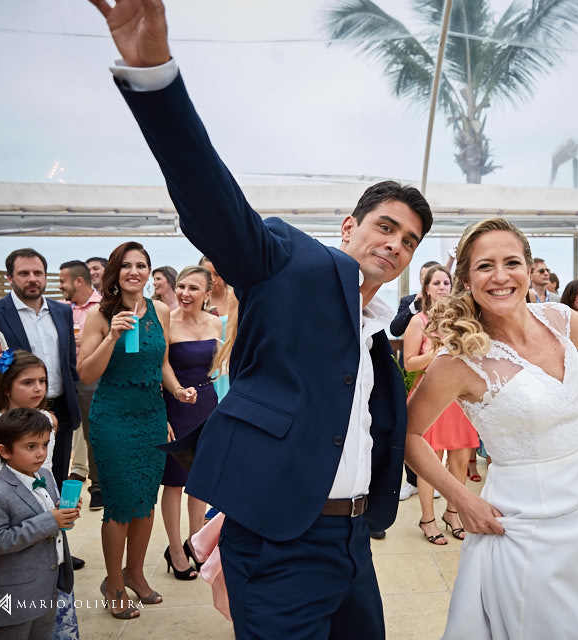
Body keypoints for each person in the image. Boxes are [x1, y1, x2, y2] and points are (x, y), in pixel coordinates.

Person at [90, 7, 435, 631]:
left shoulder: (378, 328)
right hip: (279, 542)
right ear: (349, 227)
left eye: (409, 240)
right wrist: (154, 78)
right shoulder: (289, 261)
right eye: (385, 226)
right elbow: (210, 200)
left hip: (354, 542)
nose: (395, 244)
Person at [405, 218, 578, 638]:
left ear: (529, 270)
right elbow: (408, 435)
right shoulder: (457, 360)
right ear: (466, 279)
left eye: (511, 262)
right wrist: (462, 499)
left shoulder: (558, 318)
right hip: (523, 526)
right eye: (485, 266)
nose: (501, 276)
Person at [78, 241, 195, 619]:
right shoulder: (100, 315)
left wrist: (177, 390)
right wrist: (112, 336)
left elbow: (162, 363)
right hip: (113, 417)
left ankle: (135, 573)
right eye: (127, 265)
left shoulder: (159, 310)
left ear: (149, 271)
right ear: (116, 272)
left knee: (145, 501)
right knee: (120, 503)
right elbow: (86, 373)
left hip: (151, 416)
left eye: (141, 265)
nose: (135, 272)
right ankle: (114, 583)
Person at [0, 350, 80, 640]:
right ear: (6, 387)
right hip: (5, 516)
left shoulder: (49, 420)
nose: (38, 388)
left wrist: (60, 506)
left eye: (42, 381)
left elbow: (48, 469)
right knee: (12, 610)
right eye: (27, 382)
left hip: (43, 510)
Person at [0, 249, 81, 490]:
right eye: (24, 273)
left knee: (56, 479)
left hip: (60, 409)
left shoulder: (62, 311)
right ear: (10, 278)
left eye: (38, 273)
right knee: (19, 485)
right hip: (16, 415)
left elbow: (68, 362)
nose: (32, 279)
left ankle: (55, 516)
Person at [404, 265, 478, 544]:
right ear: (426, 288)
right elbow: (409, 363)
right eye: (436, 283)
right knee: (430, 460)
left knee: (460, 458)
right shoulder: (418, 322)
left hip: (458, 397)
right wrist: (436, 350)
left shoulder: (462, 319)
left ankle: (452, 513)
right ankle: (427, 519)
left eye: (446, 282)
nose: (442, 287)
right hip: (429, 394)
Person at [161, 266, 220, 580]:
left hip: (207, 404)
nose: (185, 293)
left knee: (200, 479)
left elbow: (221, 363)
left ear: (207, 293)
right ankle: (175, 550)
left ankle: (196, 543)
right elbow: (161, 366)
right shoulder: (166, 321)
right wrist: (170, 401)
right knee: (174, 482)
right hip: (175, 405)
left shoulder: (215, 322)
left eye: (193, 288)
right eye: (181, 286)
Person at [390, 259, 442, 503]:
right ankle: (412, 480)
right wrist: (414, 306)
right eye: (428, 278)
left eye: (444, 281)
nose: (440, 286)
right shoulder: (409, 303)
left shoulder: (451, 309)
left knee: (438, 438)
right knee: (413, 430)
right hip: (413, 375)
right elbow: (395, 328)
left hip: (441, 382)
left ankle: (434, 480)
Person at [58, 260, 104, 511]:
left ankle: (97, 487)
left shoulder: (103, 307)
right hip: (63, 378)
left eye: (62, 281)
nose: (60, 286)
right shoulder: (60, 309)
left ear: (78, 281)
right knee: (63, 432)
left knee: (92, 433)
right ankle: (60, 487)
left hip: (91, 379)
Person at [197, 256, 238, 399]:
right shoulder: (197, 299)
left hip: (231, 362)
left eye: (217, 274)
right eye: (208, 275)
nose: (213, 279)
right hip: (204, 363)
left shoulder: (236, 297)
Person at [389, 260, 442, 338]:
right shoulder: (409, 301)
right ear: (420, 280)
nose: (428, 282)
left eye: (433, 279)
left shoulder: (451, 302)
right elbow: (395, 331)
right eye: (425, 279)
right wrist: (414, 306)